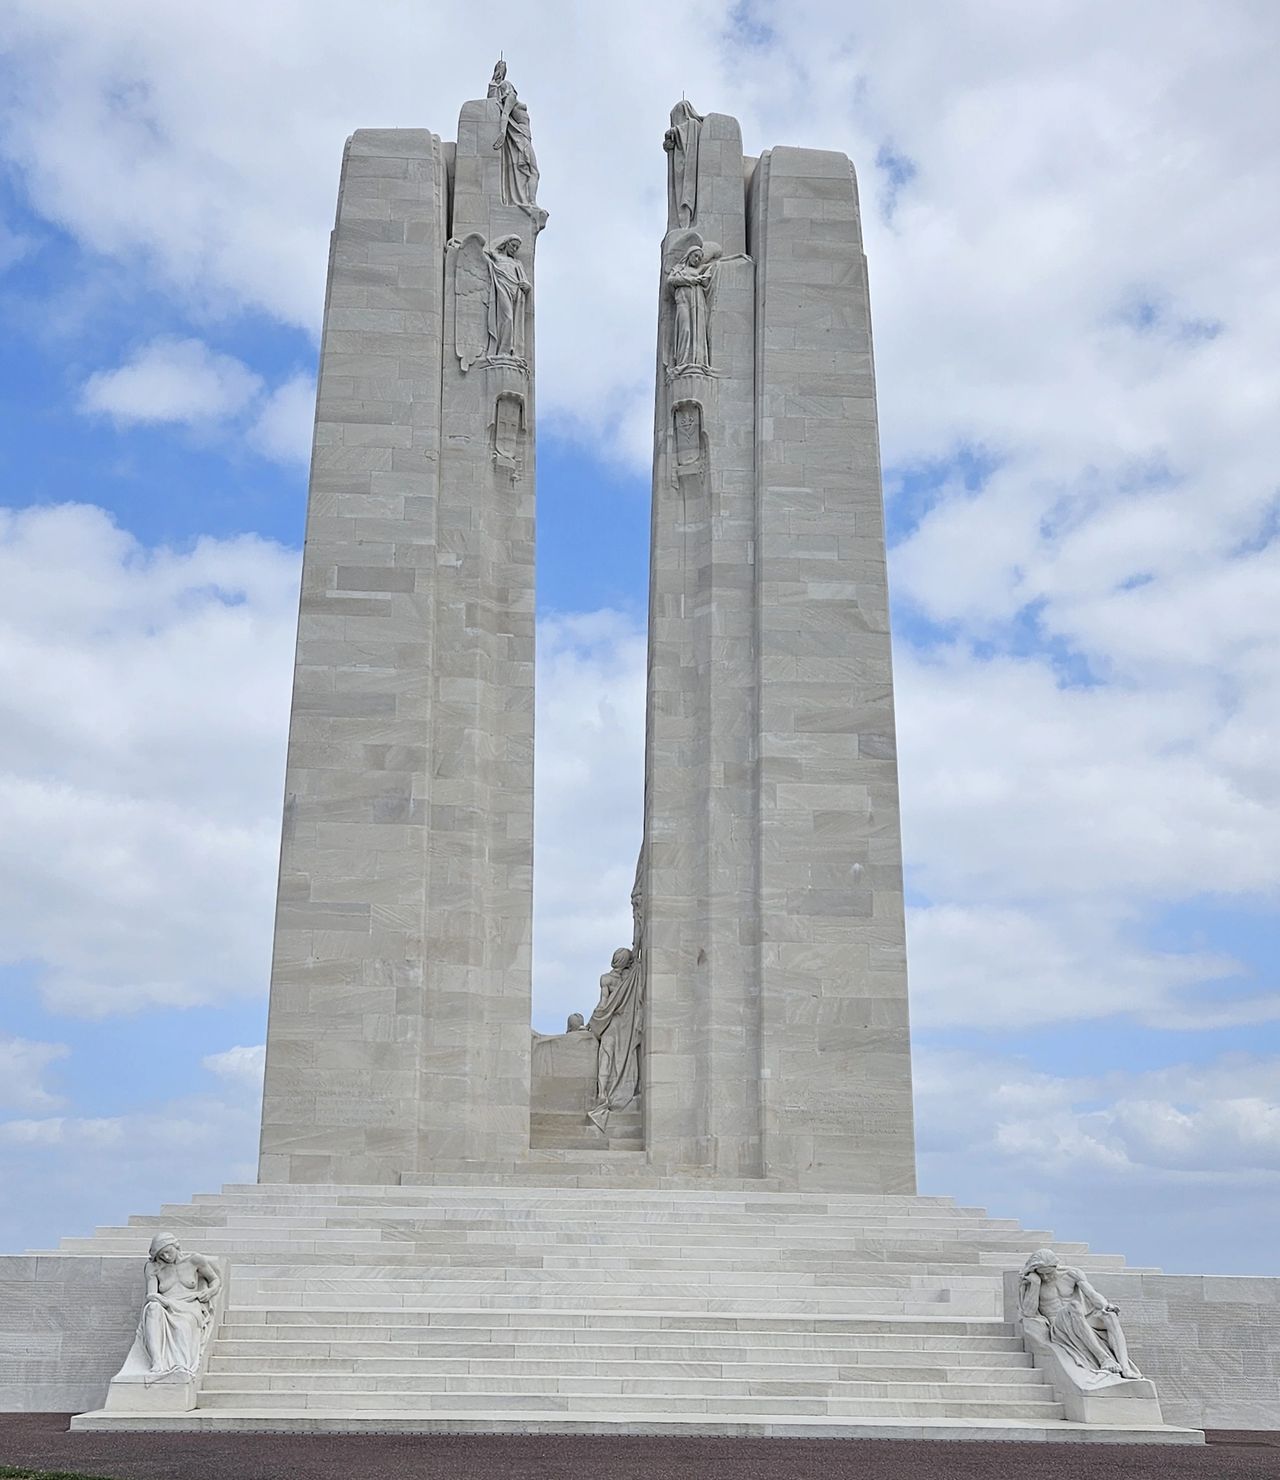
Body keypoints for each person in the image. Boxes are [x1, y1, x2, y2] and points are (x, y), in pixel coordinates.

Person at [1019, 1248, 1141, 1378]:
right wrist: (1035, 1284)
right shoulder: (1033, 1283)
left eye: (1048, 1273)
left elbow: (1091, 1294)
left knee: (1109, 1316)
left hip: (1081, 1318)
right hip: (1058, 1324)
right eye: (1041, 1274)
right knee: (1075, 1305)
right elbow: (1029, 1312)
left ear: (1055, 1266)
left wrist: (1106, 1305)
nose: (1045, 1277)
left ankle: (1126, 1368)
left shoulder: (1072, 1274)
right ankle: (1103, 1358)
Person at [139, 1232, 222, 1377]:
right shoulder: (153, 1268)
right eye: (161, 1255)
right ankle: (157, 1362)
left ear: (175, 1245)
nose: (165, 1257)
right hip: (166, 1305)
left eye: (167, 1251)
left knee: (183, 1325)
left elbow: (215, 1280)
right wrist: (163, 1302)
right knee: (152, 1308)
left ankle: (180, 1366)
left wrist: (209, 1292)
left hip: (189, 1306)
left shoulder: (194, 1260)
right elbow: (152, 1295)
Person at [488, 61, 541, 211]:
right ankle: (530, 203)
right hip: (521, 135)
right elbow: (505, 113)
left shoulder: (510, 97)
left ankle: (529, 202)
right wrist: (502, 133)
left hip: (524, 135)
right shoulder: (511, 97)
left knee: (532, 171)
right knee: (533, 171)